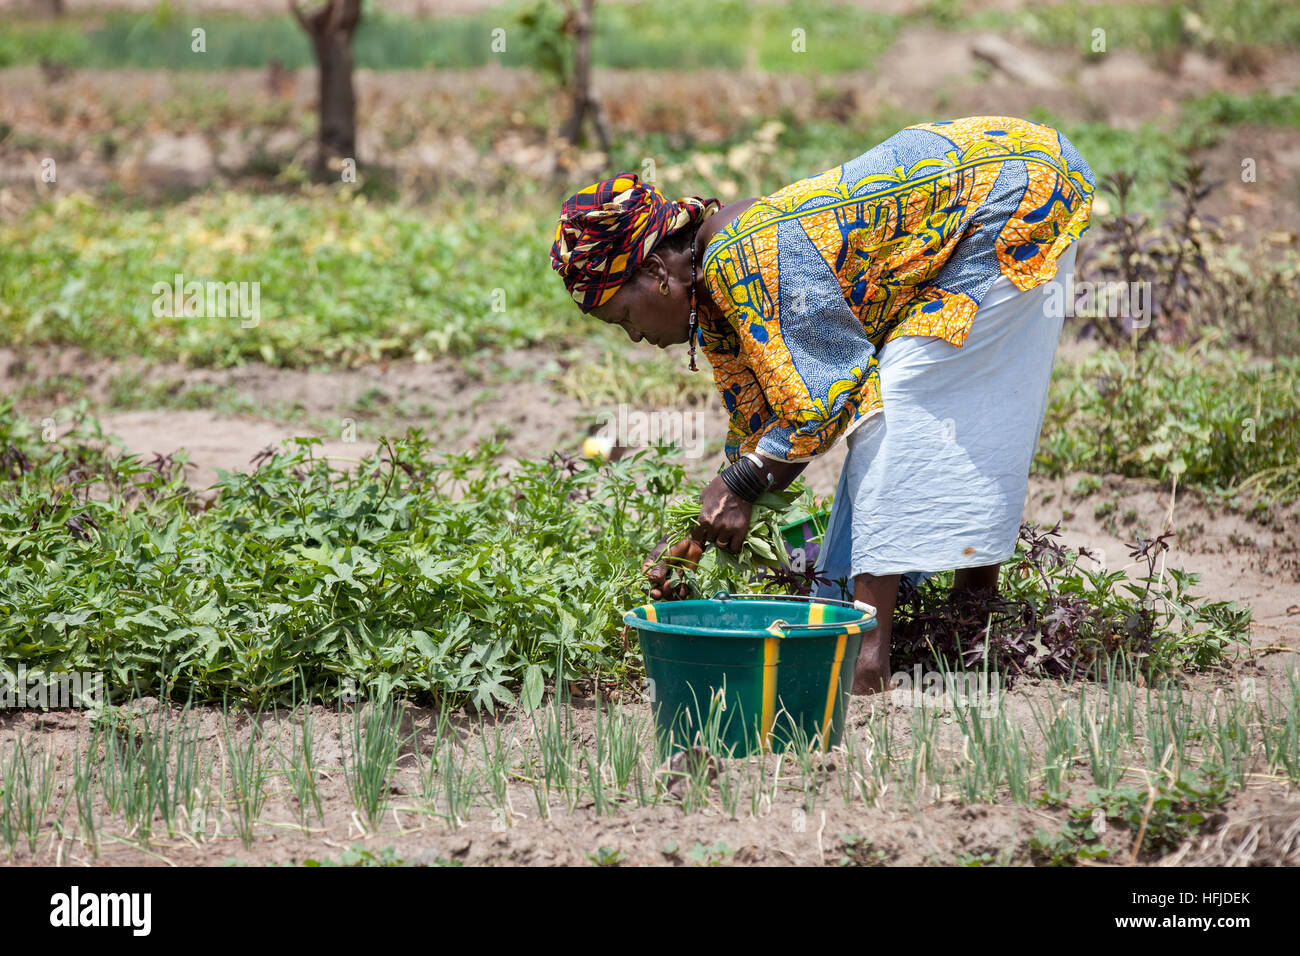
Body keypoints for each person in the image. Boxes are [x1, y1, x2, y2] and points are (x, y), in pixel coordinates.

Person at [550, 116, 1095, 694]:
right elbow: (769, 424)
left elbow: (830, 396)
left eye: (623, 316)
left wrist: (740, 486)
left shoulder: (743, 255)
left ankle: (868, 660)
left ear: (656, 271)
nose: (634, 336)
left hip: (1017, 189)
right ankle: (970, 625)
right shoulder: (713, 292)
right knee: (939, 402)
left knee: (900, 404)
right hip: (1001, 173)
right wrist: (697, 537)